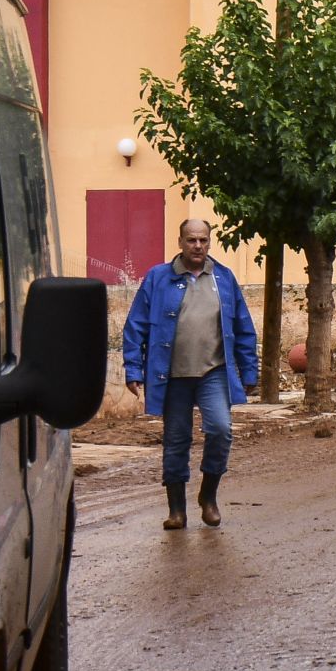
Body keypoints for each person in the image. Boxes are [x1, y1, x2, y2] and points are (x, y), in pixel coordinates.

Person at [121, 218, 261, 531]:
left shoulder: (223, 278)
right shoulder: (158, 278)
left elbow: (243, 328)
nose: (197, 246)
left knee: (221, 430)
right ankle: (176, 510)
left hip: (213, 371)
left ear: (209, 242)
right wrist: (133, 367)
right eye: (191, 240)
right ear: (181, 242)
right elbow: (136, 326)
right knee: (175, 440)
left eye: (202, 240)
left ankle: (208, 496)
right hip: (171, 376)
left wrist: (249, 370)